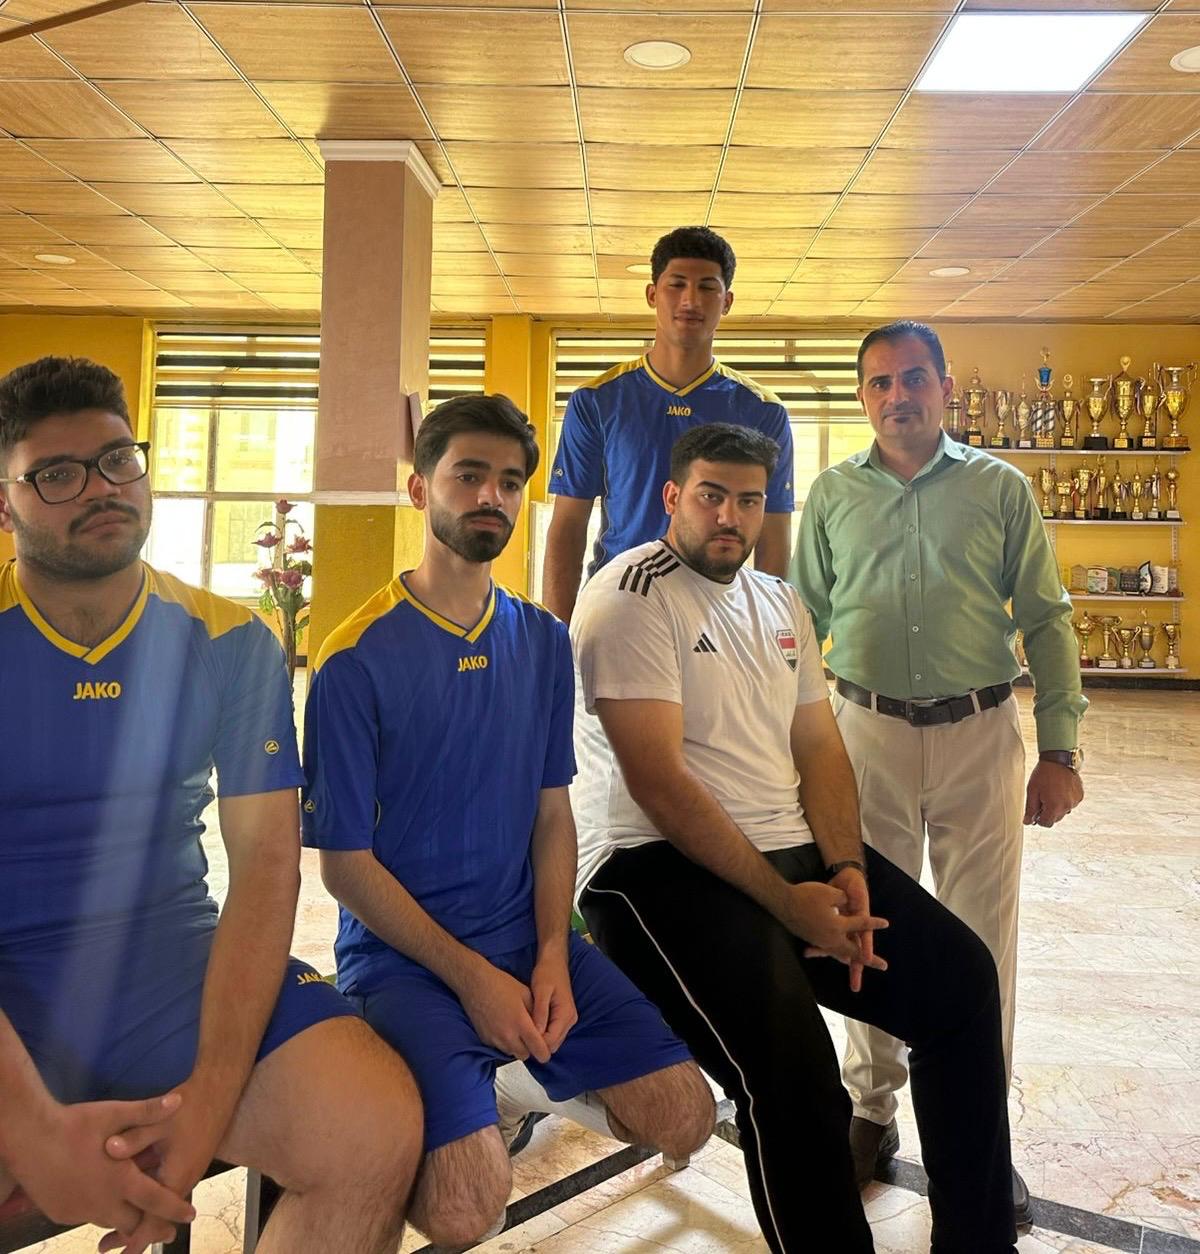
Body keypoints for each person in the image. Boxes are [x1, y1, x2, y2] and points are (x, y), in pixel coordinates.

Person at [0, 357, 422, 1254]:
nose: (101, 488)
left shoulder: (232, 641)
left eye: (118, 460)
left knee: (373, 1125)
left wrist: (205, 1108)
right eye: (56, 474)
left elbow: (267, 871)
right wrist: (29, 1124)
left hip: (172, 964)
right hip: (11, 982)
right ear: (5, 503)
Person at [571, 422, 1018, 1254]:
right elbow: (660, 785)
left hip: (792, 854)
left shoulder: (778, 602)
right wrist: (788, 905)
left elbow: (819, 748)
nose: (729, 517)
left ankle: (979, 1242)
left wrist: (845, 867)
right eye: (711, 496)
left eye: (748, 500)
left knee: (960, 984)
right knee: (795, 1076)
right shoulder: (629, 596)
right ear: (672, 497)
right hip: (651, 869)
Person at [302, 394, 714, 1248]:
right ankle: (474, 1081)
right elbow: (344, 866)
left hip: (527, 944)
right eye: (468, 476)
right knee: (465, 1208)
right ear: (420, 489)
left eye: (510, 481)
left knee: (687, 1118)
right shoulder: (353, 659)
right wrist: (472, 980)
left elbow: (551, 814)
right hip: (406, 965)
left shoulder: (541, 642)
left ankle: (509, 1082)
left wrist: (554, 952)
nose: (491, 495)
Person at [790, 322, 1086, 1218]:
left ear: (946, 389)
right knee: (865, 924)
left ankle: (979, 1137)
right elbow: (800, 624)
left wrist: (1060, 749)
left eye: (914, 378)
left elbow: (1047, 616)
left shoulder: (1000, 489)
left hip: (978, 735)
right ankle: (870, 1112)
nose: (898, 397)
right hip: (863, 736)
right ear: (862, 396)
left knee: (981, 943)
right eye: (879, 383)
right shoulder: (833, 494)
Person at [542, 225, 794, 622]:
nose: (690, 300)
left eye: (707, 287)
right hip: (618, 606)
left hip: (718, 614)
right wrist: (557, 633)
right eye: (676, 285)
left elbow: (774, 532)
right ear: (652, 294)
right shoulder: (597, 401)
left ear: (726, 301)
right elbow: (568, 525)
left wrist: (767, 627)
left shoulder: (762, 410)